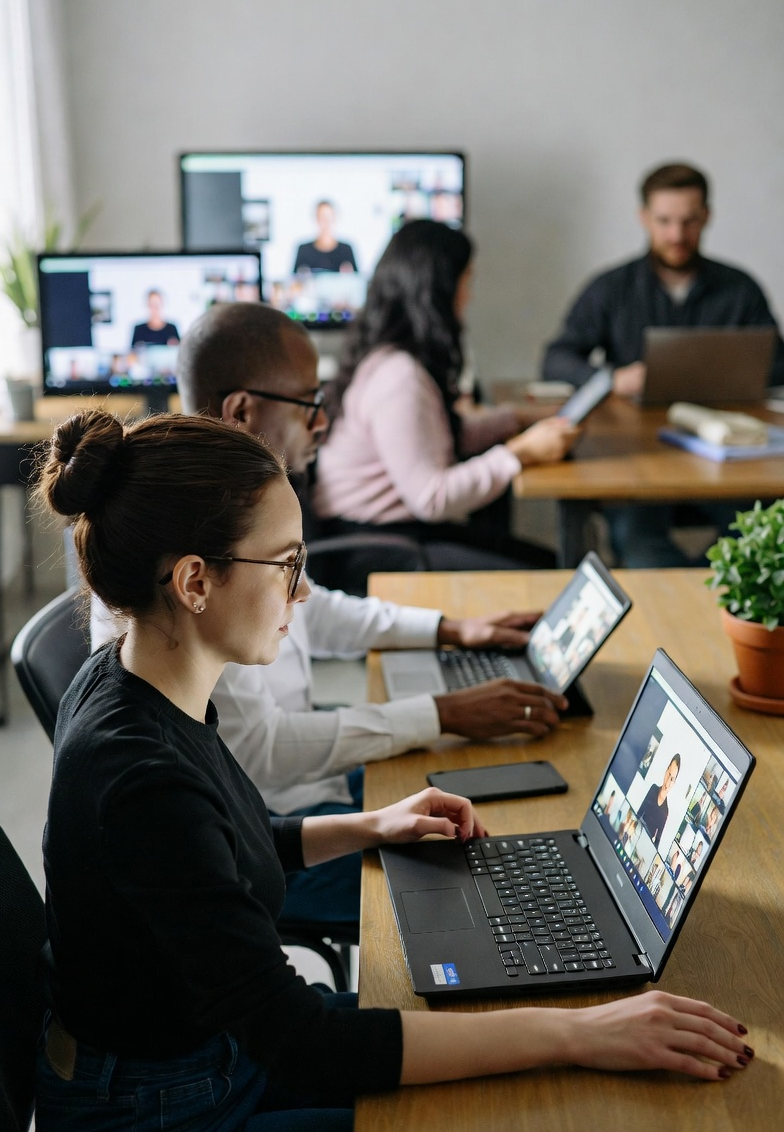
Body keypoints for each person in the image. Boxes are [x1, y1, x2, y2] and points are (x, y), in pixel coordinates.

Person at [35, 409, 753, 1128]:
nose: (304, 592)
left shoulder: (133, 680)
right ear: (195, 581)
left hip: (209, 1054)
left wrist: (370, 825)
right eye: (288, 564)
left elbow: (225, 845)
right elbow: (304, 1043)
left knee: (507, 1031)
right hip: (167, 1104)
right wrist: (577, 1036)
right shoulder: (139, 774)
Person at [92, 301, 569, 926]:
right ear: (242, 410)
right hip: (275, 826)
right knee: (504, 889)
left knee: (507, 815)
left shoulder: (232, 510)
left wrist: (449, 631)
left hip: (284, 821)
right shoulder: (189, 565)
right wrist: (442, 713)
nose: (324, 421)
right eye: (310, 401)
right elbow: (261, 755)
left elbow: (315, 610)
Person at [542, 162, 784, 566]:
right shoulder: (612, 288)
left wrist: (733, 371)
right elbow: (556, 359)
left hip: (729, 460)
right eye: (665, 221)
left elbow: (779, 364)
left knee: (763, 542)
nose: (676, 235)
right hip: (638, 459)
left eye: (689, 221)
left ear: (706, 217)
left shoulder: (740, 289)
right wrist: (612, 379)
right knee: (639, 548)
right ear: (644, 218)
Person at [314, 220, 580, 568]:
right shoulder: (399, 377)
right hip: (376, 547)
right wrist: (519, 453)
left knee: (548, 565)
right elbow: (431, 497)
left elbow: (428, 440)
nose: (469, 295)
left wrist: (514, 419)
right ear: (440, 289)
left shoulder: (389, 358)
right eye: (467, 279)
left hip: (391, 531)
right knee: (547, 574)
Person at [293, 200, 358, 274]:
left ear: (334, 218)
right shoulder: (304, 250)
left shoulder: (346, 250)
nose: (326, 222)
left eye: (329, 217)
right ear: (316, 219)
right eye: (322, 217)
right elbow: (293, 281)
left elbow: (357, 280)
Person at [638, 754, 681, 846]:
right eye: (669, 774)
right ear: (666, 771)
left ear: (674, 783)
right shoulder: (653, 788)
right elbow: (638, 813)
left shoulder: (666, 811)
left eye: (672, 779)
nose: (668, 782)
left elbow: (657, 842)